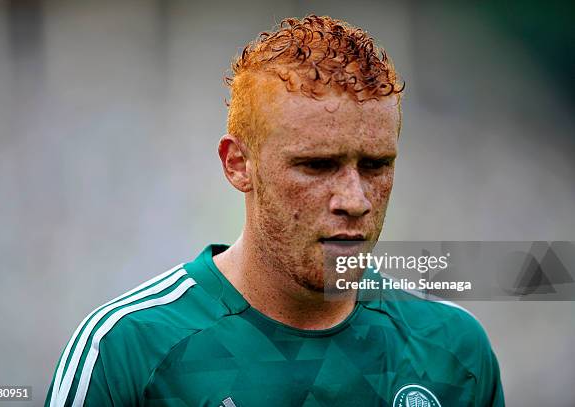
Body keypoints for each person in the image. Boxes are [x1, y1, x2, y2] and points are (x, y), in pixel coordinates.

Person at [45, 15, 504, 407]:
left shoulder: (455, 349)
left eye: (376, 165)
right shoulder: (128, 349)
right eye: (317, 165)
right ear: (238, 165)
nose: (355, 200)